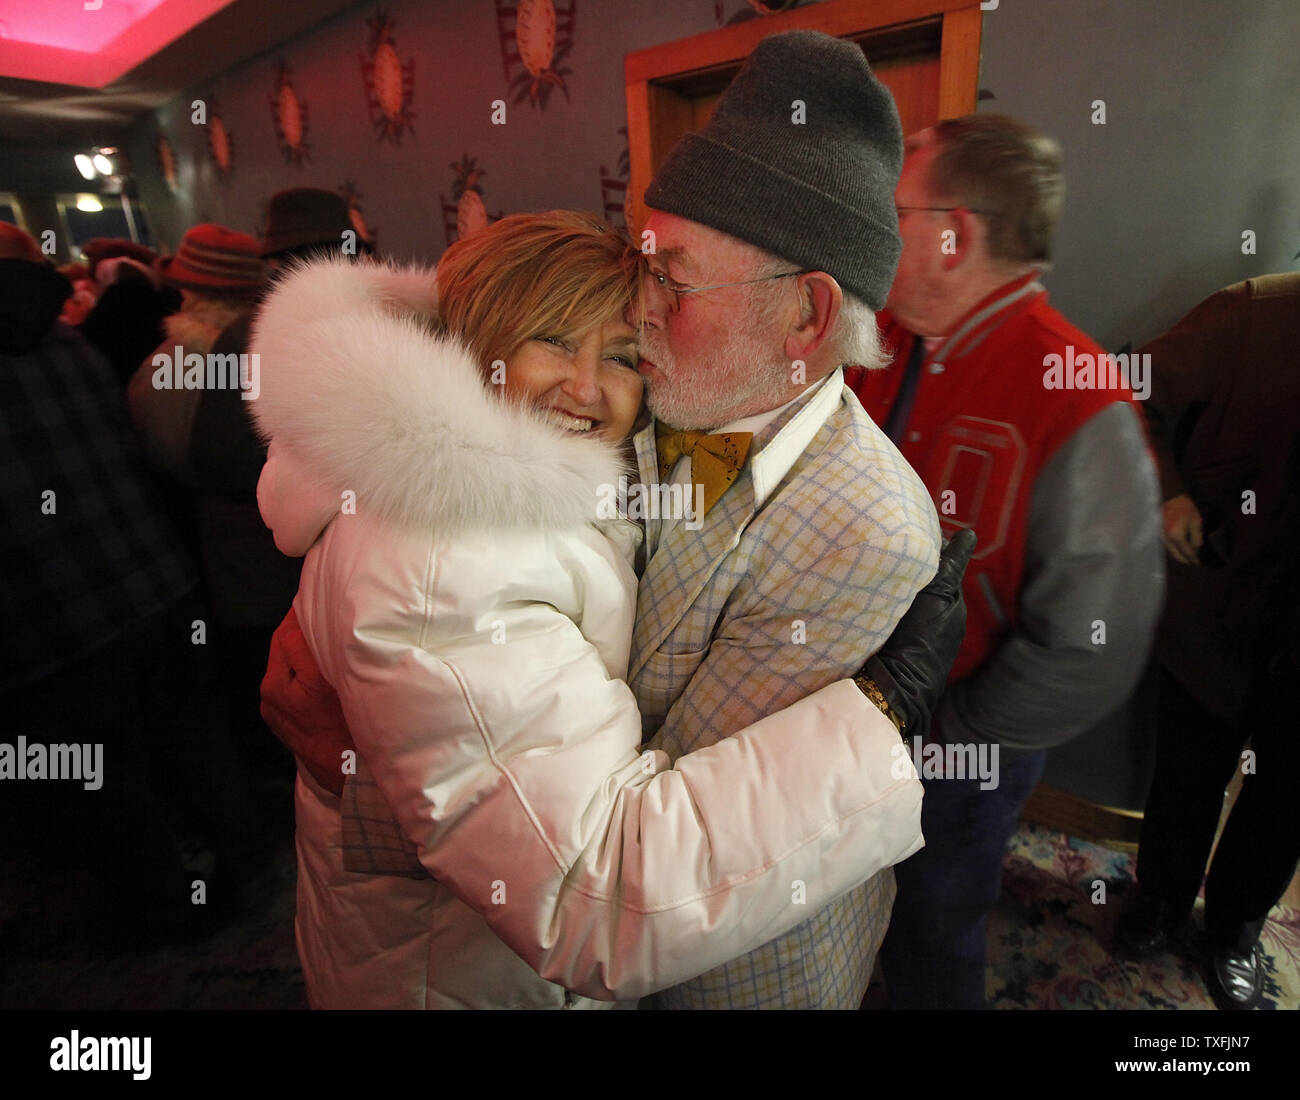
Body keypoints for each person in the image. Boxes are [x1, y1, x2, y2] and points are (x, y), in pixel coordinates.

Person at [250, 210, 956, 1010]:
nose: (588, 388)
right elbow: (591, 894)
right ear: (476, 336)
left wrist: (367, 775)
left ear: (807, 314)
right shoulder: (452, 549)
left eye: (623, 355)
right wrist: (876, 715)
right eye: (552, 339)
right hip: (458, 971)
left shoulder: (529, 475)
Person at [846, 113, 1164, 1008]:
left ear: (955, 236)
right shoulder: (884, 339)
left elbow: (1091, 646)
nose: (881, 227)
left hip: (957, 747)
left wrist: (948, 738)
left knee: (933, 925)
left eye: (898, 210)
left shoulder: (1079, 394)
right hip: (849, 720)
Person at [1115, 272, 1300, 1010]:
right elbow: (1122, 393)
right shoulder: (1257, 314)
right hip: (1224, 604)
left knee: (1289, 798)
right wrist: (1166, 494)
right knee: (1188, 771)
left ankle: (1235, 933)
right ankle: (1159, 900)